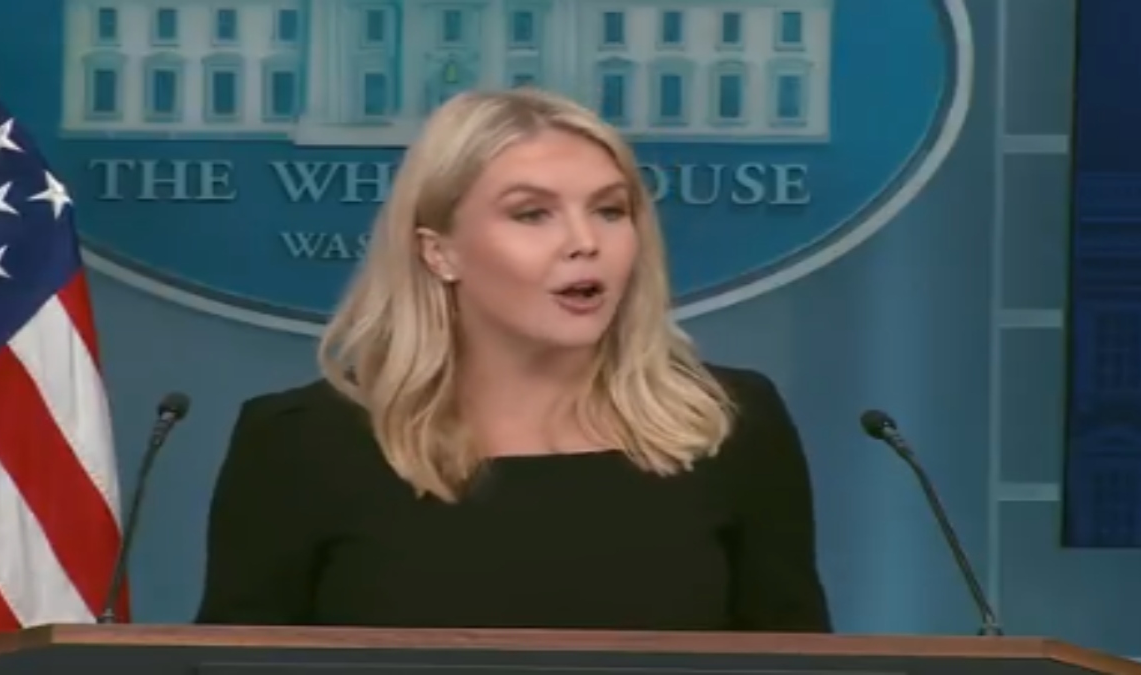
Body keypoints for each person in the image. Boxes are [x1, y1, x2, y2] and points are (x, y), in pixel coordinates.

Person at [194, 87, 832, 632]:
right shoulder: (300, 443)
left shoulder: (726, 424)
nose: (585, 242)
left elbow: (797, 658)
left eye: (610, 210)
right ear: (439, 252)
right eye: (533, 214)